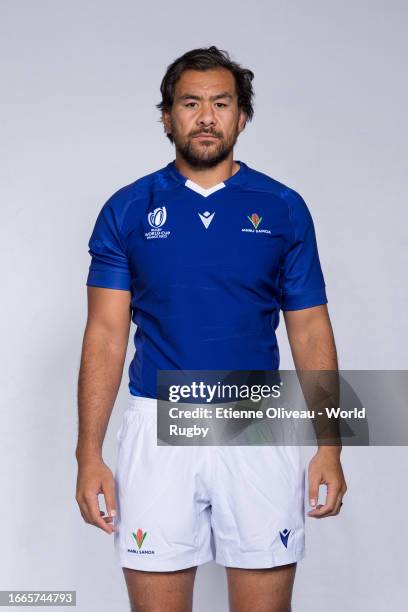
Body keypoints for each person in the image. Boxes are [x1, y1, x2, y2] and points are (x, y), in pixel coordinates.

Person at [75, 46, 347, 612]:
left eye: (221, 103)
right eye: (190, 103)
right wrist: (89, 454)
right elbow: (104, 335)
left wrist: (329, 444)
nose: (205, 117)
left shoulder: (282, 208)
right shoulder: (127, 209)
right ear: (167, 116)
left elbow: (310, 329)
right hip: (157, 423)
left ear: (241, 116)